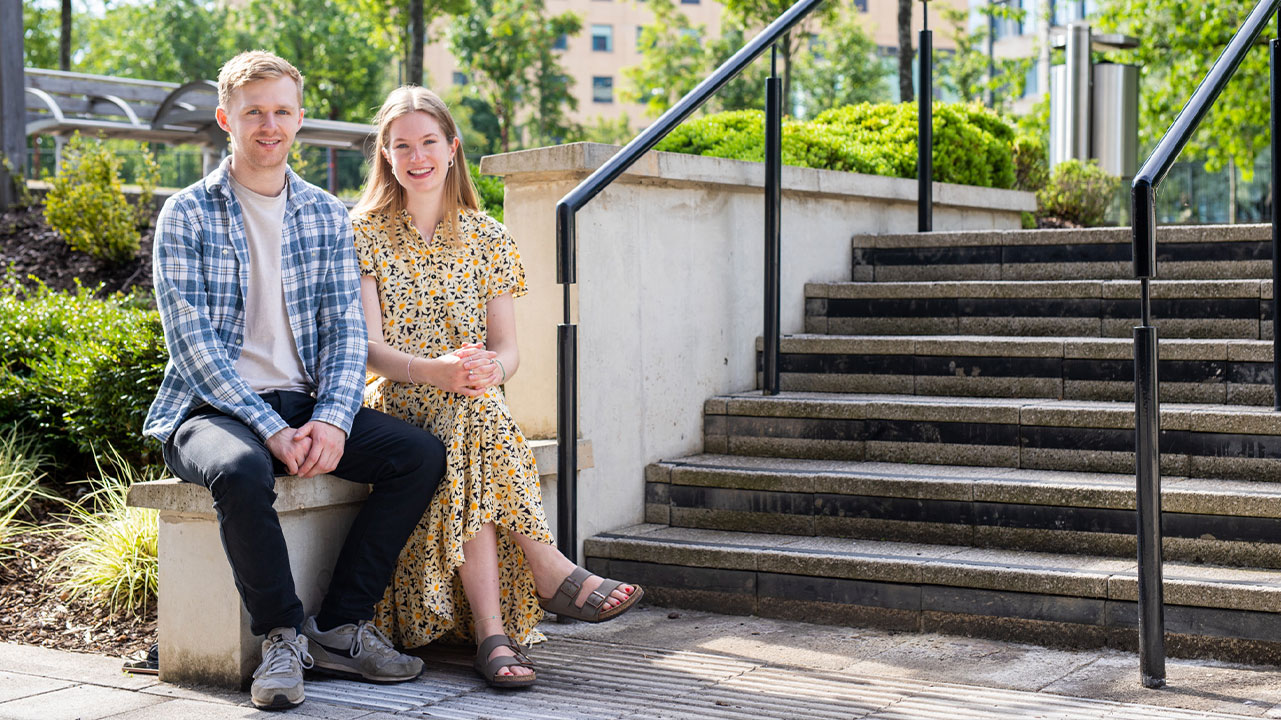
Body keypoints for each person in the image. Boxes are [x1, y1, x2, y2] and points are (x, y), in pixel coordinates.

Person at [143, 52, 447, 710]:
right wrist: (272, 428)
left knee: (418, 454)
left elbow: (344, 330)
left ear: (299, 120)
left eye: (282, 111)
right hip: (210, 410)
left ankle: (340, 626)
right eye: (254, 112)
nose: (268, 125)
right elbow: (191, 344)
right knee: (240, 469)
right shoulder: (187, 214)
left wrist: (334, 418)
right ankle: (281, 637)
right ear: (227, 119)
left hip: (306, 401)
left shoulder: (324, 214)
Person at [350, 86, 644, 689]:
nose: (417, 156)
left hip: (471, 402)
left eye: (429, 142)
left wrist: (492, 370)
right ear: (386, 154)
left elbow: (509, 350)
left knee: (475, 416)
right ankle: (550, 570)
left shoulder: (488, 236)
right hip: (401, 398)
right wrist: (434, 369)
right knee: (476, 417)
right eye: (401, 145)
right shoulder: (362, 233)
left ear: (452, 149)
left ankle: (493, 635)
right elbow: (368, 350)